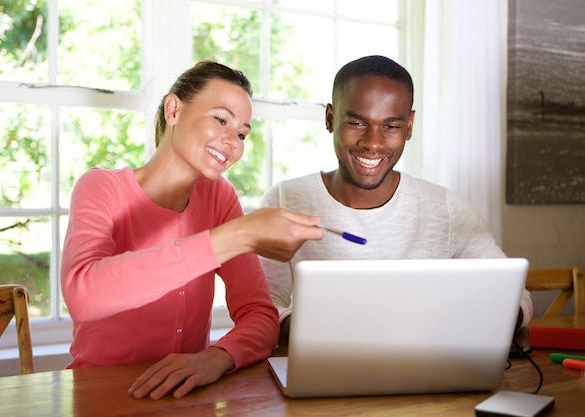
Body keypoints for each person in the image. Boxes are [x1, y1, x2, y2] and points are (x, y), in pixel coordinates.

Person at [61, 61, 324, 400]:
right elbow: (84, 295)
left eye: (242, 133)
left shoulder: (219, 198)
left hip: (185, 399)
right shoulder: (101, 188)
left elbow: (259, 314)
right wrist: (237, 236)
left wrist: (216, 358)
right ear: (174, 110)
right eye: (220, 119)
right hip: (101, 395)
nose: (233, 142)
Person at [258, 55, 533, 346]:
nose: (373, 143)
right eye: (356, 122)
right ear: (330, 119)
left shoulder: (448, 210)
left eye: (391, 127)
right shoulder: (284, 200)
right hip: (324, 367)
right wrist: (329, 334)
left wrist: (460, 323)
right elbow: (262, 310)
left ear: (409, 126)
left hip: (428, 375)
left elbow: (518, 297)